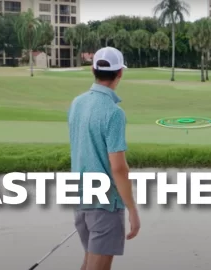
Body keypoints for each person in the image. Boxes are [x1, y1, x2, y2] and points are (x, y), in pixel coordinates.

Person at [67, 46, 140, 270]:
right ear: (120, 73)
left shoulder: (77, 103)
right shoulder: (114, 113)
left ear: (93, 70)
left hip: (81, 200)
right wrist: (133, 211)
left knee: (89, 263)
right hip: (105, 206)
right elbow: (119, 168)